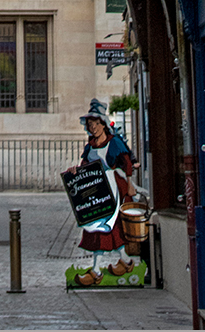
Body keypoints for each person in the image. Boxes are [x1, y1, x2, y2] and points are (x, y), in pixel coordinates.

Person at [68, 99, 138, 286]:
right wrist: (76, 172)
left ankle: (98, 270)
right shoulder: (90, 146)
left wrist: (130, 184)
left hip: (113, 187)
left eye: (96, 124)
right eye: (90, 125)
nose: (93, 128)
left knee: (110, 226)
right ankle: (124, 261)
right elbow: (85, 165)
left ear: (103, 124)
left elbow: (126, 163)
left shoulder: (113, 142)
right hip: (96, 189)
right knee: (97, 227)